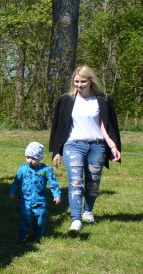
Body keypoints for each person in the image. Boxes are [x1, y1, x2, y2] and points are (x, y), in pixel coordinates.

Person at [48, 65, 121, 232]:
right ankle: (76, 219)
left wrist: (113, 146)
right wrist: (57, 151)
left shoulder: (103, 100)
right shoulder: (66, 100)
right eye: (76, 82)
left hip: (97, 145)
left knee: (93, 182)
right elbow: (59, 127)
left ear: (91, 81)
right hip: (73, 145)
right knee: (75, 183)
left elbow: (105, 126)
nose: (79, 85)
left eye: (83, 82)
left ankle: (88, 211)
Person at [8, 141, 62, 242]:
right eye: (28, 157)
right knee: (25, 217)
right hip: (26, 200)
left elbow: (53, 183)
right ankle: (23, 234)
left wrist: (57, 195)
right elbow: (17, 181)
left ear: (39, 158)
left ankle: (38, 235)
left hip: (40, 200)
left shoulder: (46, 170)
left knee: (40, 219)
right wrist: (12, 190)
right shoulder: (23, 169)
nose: (30, 160)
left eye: (33, 158)